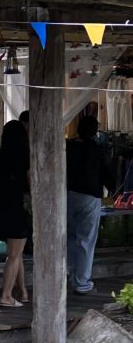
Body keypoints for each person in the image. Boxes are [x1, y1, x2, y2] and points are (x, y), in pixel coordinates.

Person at [67, 114, 116, 294]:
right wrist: (113, 188)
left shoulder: (68, 147)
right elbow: (108, 174)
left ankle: (67, 274)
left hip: (66, 194)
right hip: (90, 197)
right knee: (86, 240)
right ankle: (81, 283)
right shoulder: (97, 150)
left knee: (68, 237)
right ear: (95, 132)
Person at [0, 120, 31, 308]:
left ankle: (22, 292)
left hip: (0, 206)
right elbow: (30, 183)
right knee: (14, 254)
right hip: (18, 206)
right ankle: (6, 296)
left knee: (15, 252)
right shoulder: (25, 156)